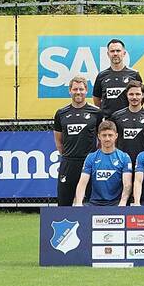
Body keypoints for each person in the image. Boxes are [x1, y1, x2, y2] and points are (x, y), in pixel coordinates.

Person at [54, 75, 104, 207]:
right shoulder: (61, 113)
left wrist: (93, 157)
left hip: (89, 163)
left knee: (89, 202)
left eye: (81, 89)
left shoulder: (96, 112)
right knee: (64, 201)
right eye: (75, 89)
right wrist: (68, 155)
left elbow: (101, 139)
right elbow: (59, 141)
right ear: (70, 90)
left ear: (86, 90)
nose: (78, 92)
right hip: (68, 163)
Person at [74, 120, 132, 206]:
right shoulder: (91, 157)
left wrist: (122, 203)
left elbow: (127, 184)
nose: (107, 138)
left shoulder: (124, 157)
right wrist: (78, 203)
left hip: (116, 204)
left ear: (116, 136)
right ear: (99, 136)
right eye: (104, 135)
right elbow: (82, 182)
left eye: (110, 135)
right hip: (95, 204)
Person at [112, 79, 144, 163]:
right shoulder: (116, 116)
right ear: (126, 95)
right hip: (123, 162)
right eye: (131, 94)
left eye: (137, 94)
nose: (134, 97)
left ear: (143, 95)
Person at [93, 39, 141, 117]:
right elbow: (97, 99)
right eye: (112, 51)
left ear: (124, 53)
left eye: (118, 51)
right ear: (108, 54)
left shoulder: (134, 75)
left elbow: (140, 97)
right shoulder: (101, 76)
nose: (115, 53)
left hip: (128, 120)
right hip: (109, 121)